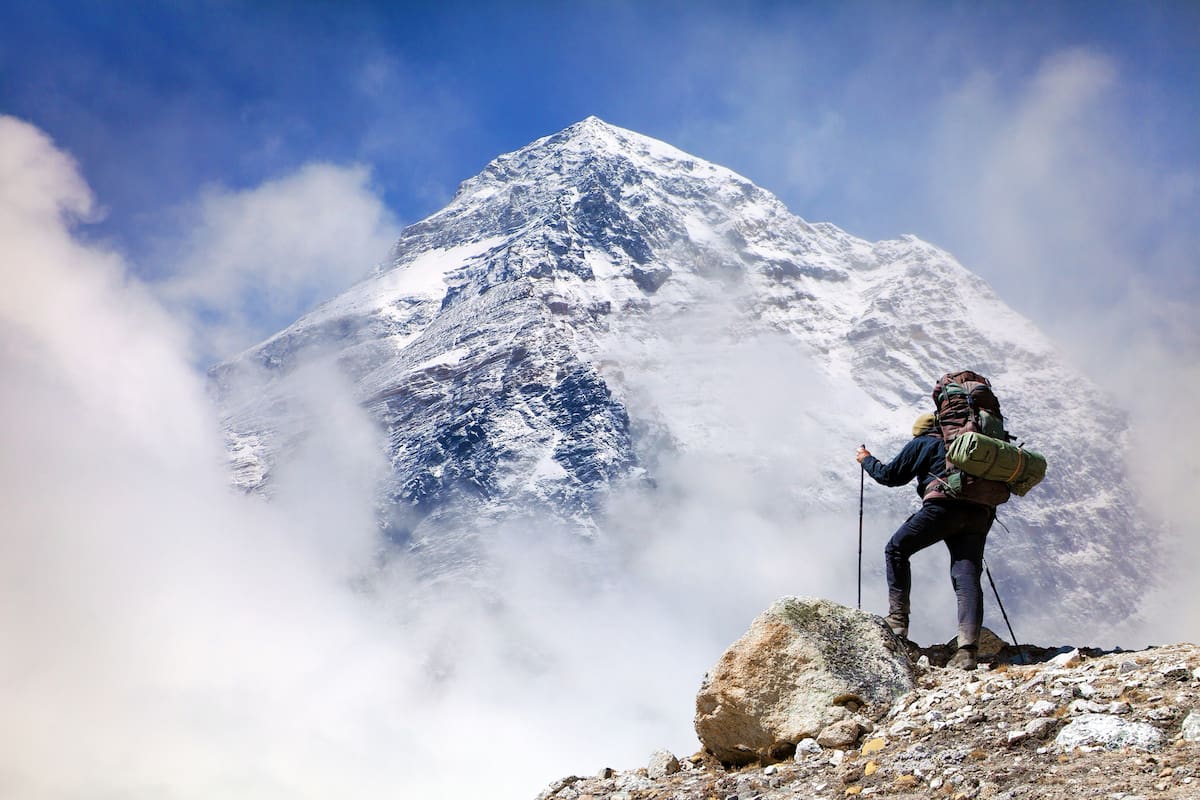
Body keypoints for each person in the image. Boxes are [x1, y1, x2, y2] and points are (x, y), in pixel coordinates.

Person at [856, 412, 995, 670]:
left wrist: (866, 460)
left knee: (896, 549)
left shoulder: (924, 442)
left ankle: (898, 621)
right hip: (980, 512)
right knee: (966, 574)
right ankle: (967, 651)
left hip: (943, 508)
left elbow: (890, 475)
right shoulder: (972, 446)